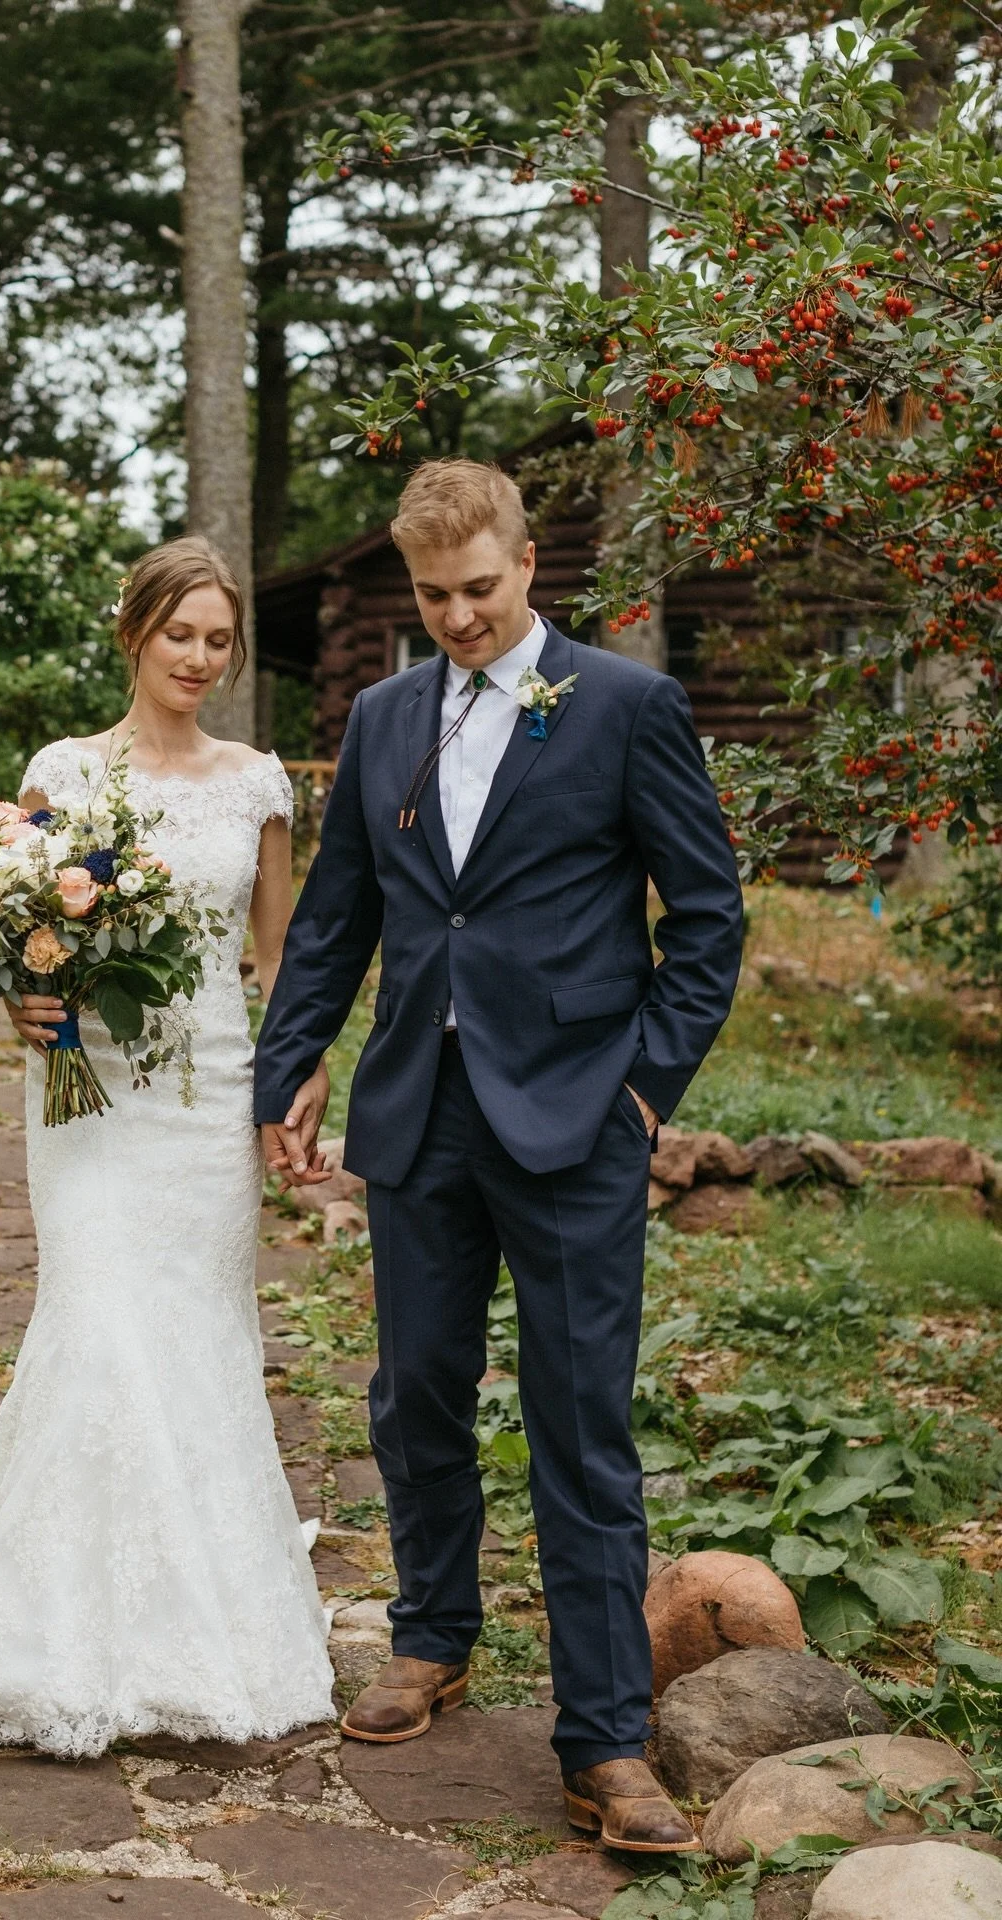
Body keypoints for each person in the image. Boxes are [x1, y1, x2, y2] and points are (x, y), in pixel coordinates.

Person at [254, 459, 743, 1852]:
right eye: (434, 596)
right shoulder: (386, 713)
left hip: (580, 1118)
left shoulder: (627, 707)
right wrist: (289, 1069)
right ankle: (432, 1636)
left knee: (579, 1424)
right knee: (415, 1389)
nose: (459, 617)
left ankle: (604, 1742)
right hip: (420, 1112)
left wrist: (644, 1093)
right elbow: (340, 917)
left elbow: (705, 921)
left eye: (479, 589)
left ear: (527, 567)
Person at [0, 535, 335, 1756]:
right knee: (96, 1317)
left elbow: (275, 956)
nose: (198, 658)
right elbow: (4, 931)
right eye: (179, 634)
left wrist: (293, 1086)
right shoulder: (62, 772)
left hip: (203, 1092)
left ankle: (197, 1604)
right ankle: (55, 1618)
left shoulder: (256, 783)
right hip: (87, 1092)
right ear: (134, 632)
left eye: (218, 641)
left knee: (195, 1330)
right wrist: (16, 1000)